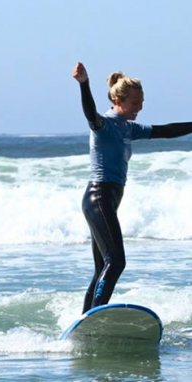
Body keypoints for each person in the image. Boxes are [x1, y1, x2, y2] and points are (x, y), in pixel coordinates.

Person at [72, 62, 192, 313]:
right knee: (116, 261)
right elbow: (90, 113)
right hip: (98, 197)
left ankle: (85, 319)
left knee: (102, 267)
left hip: (108, 201)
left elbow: (166, 131)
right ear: (118, 99)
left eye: (142, 103)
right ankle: (94, 317)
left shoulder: (129, 128)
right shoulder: (104, 125)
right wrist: (84, 85)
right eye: (135, 103)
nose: (140, 108)